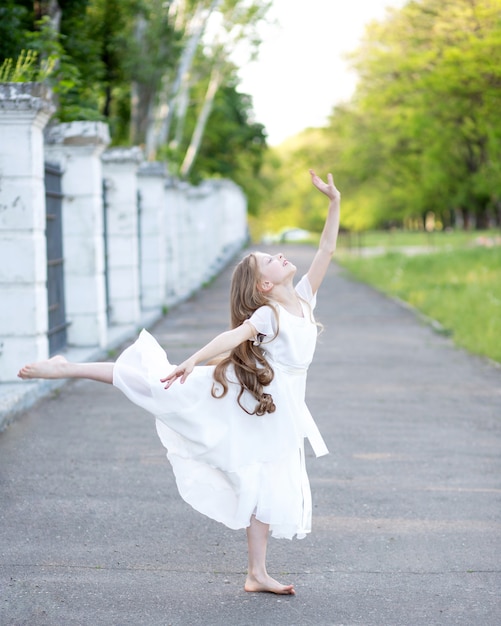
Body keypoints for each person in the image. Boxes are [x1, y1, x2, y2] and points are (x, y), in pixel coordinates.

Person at [18, 169, 341, 596]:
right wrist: (190, 361)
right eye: (270, 260)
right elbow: (232, 336)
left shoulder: (303, 298)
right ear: (264, 284)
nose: (280, 257)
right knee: (156, 386)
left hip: (276, 406)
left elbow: (327, 247)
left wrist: (333, 201)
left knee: (270, 481)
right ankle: (67, 367)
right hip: (251, 397)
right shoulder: (269, 316)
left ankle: (256, 574)